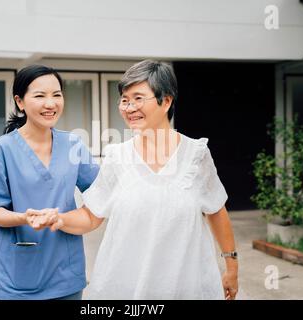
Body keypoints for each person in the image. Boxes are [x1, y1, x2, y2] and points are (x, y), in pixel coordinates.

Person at [39, 60, 239, 300]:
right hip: (126, 289)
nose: (129, 107)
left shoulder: (196, 154)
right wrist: (58, 218)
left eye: (138, 98)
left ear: (165, 101)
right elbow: (92, 215)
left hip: (187, 287)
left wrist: (231, 267)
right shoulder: (117, 157)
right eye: (124, 100)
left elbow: (216, 209)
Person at [0, 65, 99, 300]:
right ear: (20, 102)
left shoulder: (74, 145)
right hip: (18, 279)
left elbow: (100, 193)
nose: (51, 104)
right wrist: (23, 218)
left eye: (57, 94)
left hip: (67, 275)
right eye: (40, 95)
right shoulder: (2, 149)